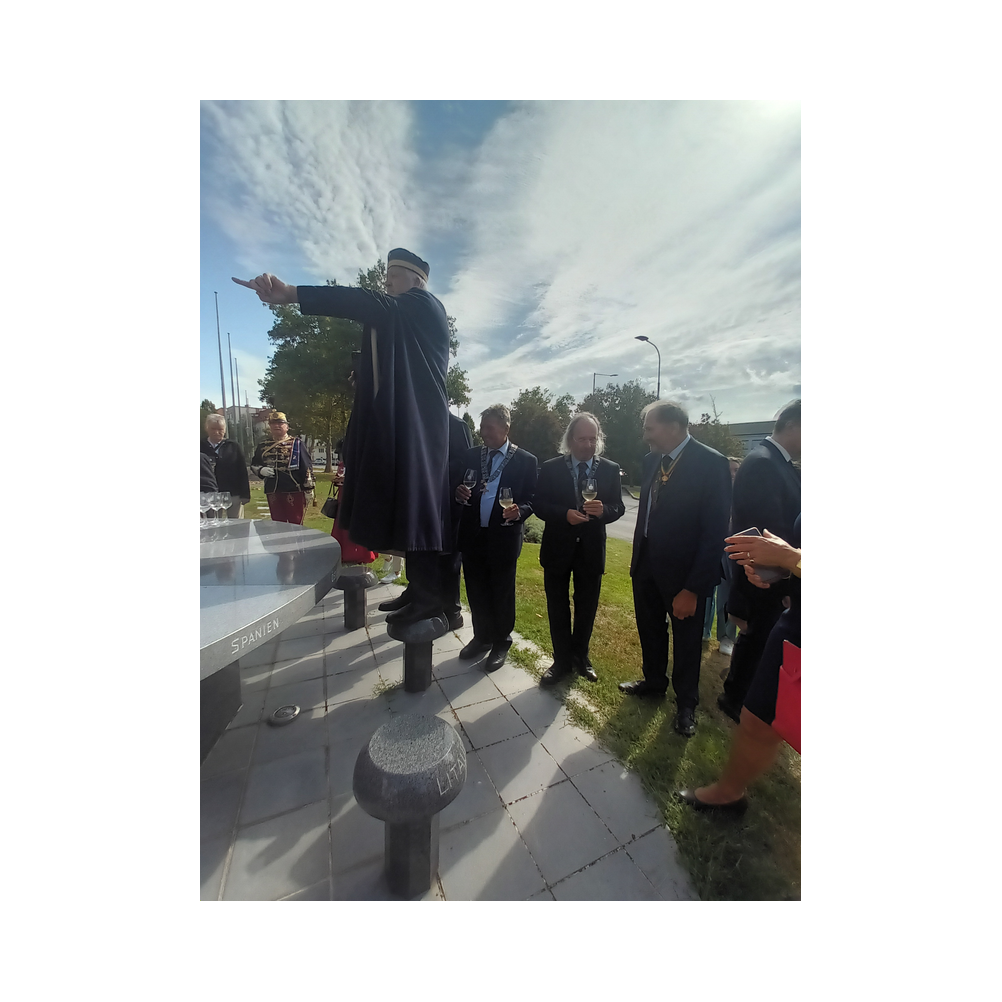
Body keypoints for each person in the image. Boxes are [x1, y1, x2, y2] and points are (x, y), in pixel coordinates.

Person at [234, 249, 450, 624]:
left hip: (421, 427)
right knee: (408, 505)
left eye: (392, 279)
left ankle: (430, 599)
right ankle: (418, 590)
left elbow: (364, 302)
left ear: (416, 280)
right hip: (409, 424)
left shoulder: (424, 304)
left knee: (419, 507)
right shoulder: (408, 316)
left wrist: (292, 293)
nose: (386, 287)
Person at [620, 401, 732, 738]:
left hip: (685, 578)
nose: (645, 436)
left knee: (686, 643)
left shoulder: (711, 463)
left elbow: (714, 534)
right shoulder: (652, 459)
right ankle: (653, 682)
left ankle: (686, 705)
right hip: (646, 568)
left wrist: (694, 588)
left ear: (672, 426)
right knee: (650, 630)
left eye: (649, 428)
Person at [678, 518, 801, 812]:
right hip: (795, 624)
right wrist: (785, 569)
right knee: (757, 718)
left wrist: (789, 557)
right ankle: (729, 792)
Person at [718, 400, 801, 722]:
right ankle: (736, 699)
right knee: (757, 643)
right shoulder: (763, 462)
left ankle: (743, 696)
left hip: (776, 575)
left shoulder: (778, 463)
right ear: (793, 425)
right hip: (764, 578)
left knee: (760, 643)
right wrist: (786, 575)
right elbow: (765, 531)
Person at [533, 413, 625, 685]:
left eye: (593, 439)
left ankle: (580, 657)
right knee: (557, 606)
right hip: (557, 549)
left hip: (591, 550)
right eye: (582, 439)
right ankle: (561, 660)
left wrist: (603, 510)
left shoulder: (609, 469)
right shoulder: (551, 468)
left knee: (587, 607)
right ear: (570, 440)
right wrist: (564, 515)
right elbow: (538, 504)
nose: (588, 444)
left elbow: (618, 507)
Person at [454, 404, 537, 672]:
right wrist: (458, 493)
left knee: (501, 591)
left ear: (506, 429)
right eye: (482, 427)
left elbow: (533, 499)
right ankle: (481, 637)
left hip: (503, 536)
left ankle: (501, 641)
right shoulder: (471, 456)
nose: (483, 433)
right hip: (473, 534)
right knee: (476, 589)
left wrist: (520, 510)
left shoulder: (525, 460)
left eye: (489, 427)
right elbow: (458, 485)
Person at [378, 413, 474, 629]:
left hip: (446, 502)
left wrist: (431, 472)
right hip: (419, 499)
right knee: (416, 549)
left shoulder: (457, 425)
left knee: (448, 560)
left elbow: (465, 465)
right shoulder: (415, 420)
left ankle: (452, 611)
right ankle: (415, 595)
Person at [704, 456, 742, 655]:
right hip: (712, 547)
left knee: (726, 597)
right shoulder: (713, 492)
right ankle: (703, 631)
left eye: (736, 470)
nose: (732, 475)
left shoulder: (745, 496)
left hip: (732, 550)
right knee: (706, 592)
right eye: (729, 470)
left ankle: (727, 637)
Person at [249, 411, 315, 524]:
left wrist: (308, 489)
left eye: (280, 423)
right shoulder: (263, 445)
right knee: (277, 523)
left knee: (296, 522)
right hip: (273, 489)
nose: (276, 426)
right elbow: (254, 464)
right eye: (273, 423)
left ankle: (297, 542)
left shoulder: (297, 444)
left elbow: (306, 467)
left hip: (293, 488)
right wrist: (261, 470)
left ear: (287, 426)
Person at [200, 414, 251, 518]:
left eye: (220, 429)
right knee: (212, 526)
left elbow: (242, 470)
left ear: (225, 430)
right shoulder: (201, 445)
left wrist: (245, 494)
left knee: (236, 525)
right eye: (213, 428)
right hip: (208, 496)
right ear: (207, 428)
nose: (217, 432)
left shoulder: (233, 446)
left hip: (232, 493)